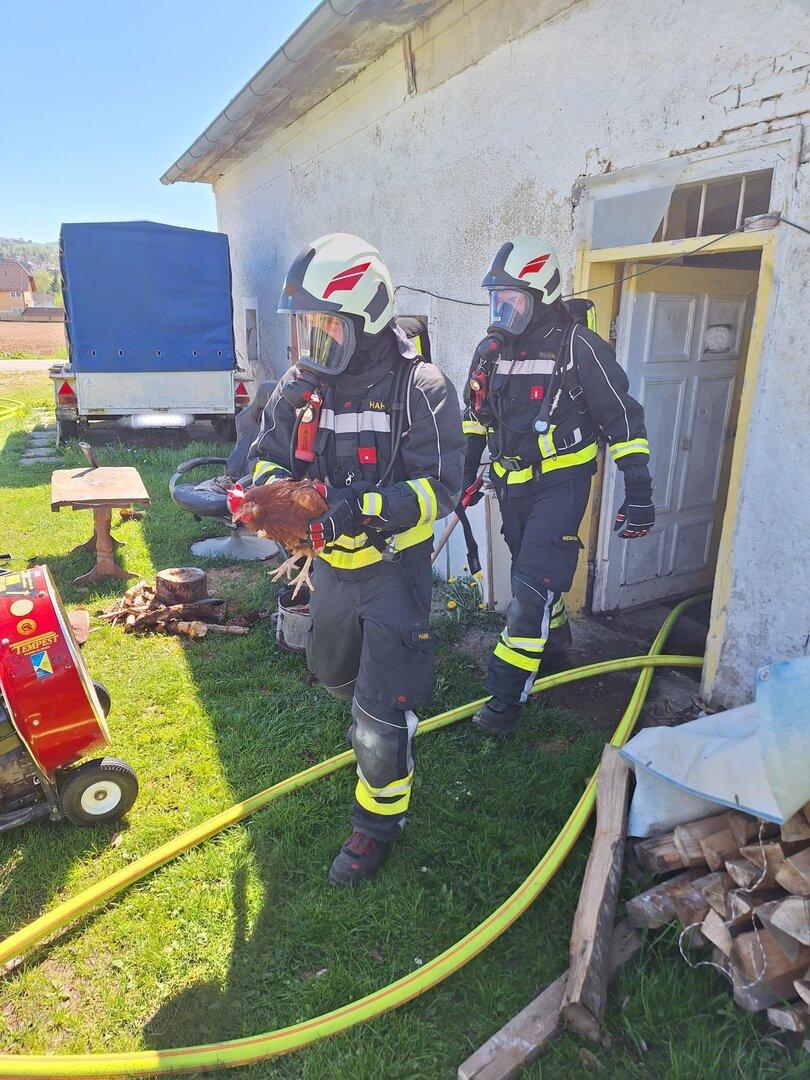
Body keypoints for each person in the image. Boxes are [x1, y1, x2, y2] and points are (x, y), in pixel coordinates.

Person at [250, 233, 463, 885]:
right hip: (333, 571)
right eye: (306, 327)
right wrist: (282, 502)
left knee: (377, 713)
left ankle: (376, 825)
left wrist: (359, 506)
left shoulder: (421, 388)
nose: (311, 342)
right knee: (330, 667)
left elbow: (442, 488)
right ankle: (377, 714)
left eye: (324, 326)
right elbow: (267, 459)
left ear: (367, 319)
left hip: (393, 571)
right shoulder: (300, 386)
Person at [462, 236, 654, 736]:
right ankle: (559, 639)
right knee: (534, 571)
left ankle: (504, 701)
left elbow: (623, 420)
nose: (502, 311)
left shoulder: (580, 346)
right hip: (512, 489)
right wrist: (461, 478)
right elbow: (475, 420)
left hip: (562, 485)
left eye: (513, 300)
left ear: (542, 296)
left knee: (527, 591)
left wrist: (639, 494)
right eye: (496, 300)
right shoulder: (490, 354)